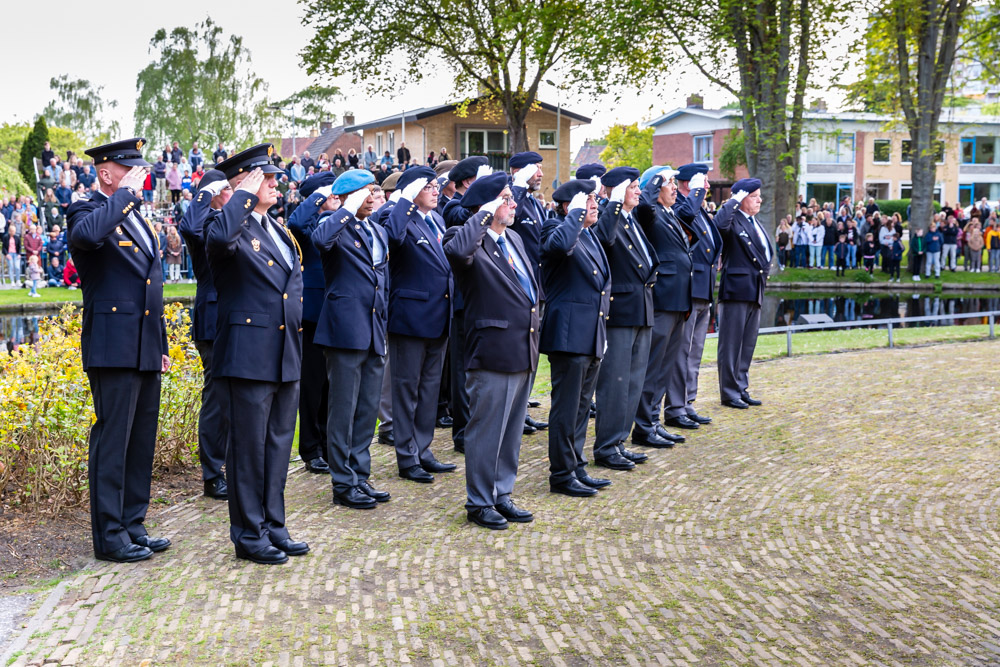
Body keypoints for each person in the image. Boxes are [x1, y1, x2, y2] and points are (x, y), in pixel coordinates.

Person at [66, 137, 170, 563]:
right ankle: (110, 536)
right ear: (106, 173)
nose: (139, 176)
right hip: (113, 344)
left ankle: (133, 524)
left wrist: (161, 343)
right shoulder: (86, 210)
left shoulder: (136, 217)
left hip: (145, 344)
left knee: (141, 439)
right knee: (113, 440)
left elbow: (151, 286)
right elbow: (87, 237)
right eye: (130, 170)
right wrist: (124, 196)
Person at [207, 144, 308, 565]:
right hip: (248, 355)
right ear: (242, 183)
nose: (274, 183)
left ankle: (274, 525)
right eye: (264, 178)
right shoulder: (226, 223)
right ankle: (249, 534)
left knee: (278, 446)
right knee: (248, 450)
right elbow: (218, 241)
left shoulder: (277, 229)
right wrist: (243, 197)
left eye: (273, 177)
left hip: (284, 351)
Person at [443, 171, 539, 530]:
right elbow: (457, 252)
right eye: (505, 198)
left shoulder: (513, 237)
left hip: (522, 346)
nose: (513, 204)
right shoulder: (465, 237)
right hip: (492, 350)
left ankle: (502, 493)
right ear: (486, 205)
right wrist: (484, 213)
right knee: (486, 430)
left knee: (511, 430)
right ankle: (480, 501)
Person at [311, 169, 391, 509]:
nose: (372, 198)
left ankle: (360, 475)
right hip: (345, 331)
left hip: (373, 329)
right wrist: (346, 208)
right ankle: (343, 483)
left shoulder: (378, 231)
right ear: (347, 196)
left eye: (373, 192)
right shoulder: (334, 225)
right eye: (364, 193)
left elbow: (382, 280)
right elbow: (320, 240)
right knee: (342, 410)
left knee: (367, 409)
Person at [540, 179, 613, 498]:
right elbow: (559, 246)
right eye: (588, 200)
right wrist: (576, 214)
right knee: (566, 409)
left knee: (582, 408)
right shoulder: (555, 228)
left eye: (595, 199)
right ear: (569, 206)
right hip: (569, 335)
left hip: (591, 332)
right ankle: (561, 474)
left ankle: (576, 465)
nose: (595, 205)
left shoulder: (588, 234)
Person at [385, 166, 456, 484]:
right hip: (410, 319)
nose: (436, 190)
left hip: (438, 317)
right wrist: (403, 199)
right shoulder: (399, 218)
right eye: (428, 186)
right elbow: (392, 237)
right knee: (406, 390)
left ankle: (423, 450)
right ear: (412, 191)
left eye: (436, 185)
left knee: (428, 390)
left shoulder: (436, 219)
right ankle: (406, 456)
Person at [590, 166, 661, 470]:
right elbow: (603, 239)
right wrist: (614, 202)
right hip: (620, 312)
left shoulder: (631, 219)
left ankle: (619, 441)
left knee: (633, 382)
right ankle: (606, 446)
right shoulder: (609, 217)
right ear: (617, 191)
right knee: (615, 384)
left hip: (641, 308)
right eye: (632, 187)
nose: (638, 191)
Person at [632, 164, 700, 446]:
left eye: (674, 182)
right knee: (653, 366)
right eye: (669, 182)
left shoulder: (669, 213)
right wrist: (653, 181)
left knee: (665, 367)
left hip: (678, 300)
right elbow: (643, 207)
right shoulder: (650, 213)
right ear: (655, 187)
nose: (675, 187)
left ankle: (653, 421)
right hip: (662, 299)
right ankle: (643, 426)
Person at [178, 169, 232, 500]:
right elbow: (189, 227)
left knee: (234, 396)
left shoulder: (229, 219)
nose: (233, 193)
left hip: (236, 316)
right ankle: (213, 474)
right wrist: (204, 193)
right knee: (217, 398)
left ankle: (231, 466)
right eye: (227, 189)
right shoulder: (207, 222)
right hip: (213, 318)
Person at [287, 172, 340, 476]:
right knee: (312, 384)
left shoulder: (339, 219)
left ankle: (329, 445)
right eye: (330, 193)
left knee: (333, 385)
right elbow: (295, 223)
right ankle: (310, 449)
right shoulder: (308, 226)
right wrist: (320, 196)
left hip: (338, 312)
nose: (335, 197)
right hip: (313, 314)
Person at [715, 177, 770, 409]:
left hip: (754, 289)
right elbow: (719, 225)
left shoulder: (754, 222)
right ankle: (729, 392)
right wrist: (733, 201)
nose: (759, 200)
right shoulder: (732, 220)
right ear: (742, 198)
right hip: (736, 290)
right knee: (731, 345)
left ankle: (740, 387)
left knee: (747, 344)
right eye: (754, 196)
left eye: (759, 196)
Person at [674, 163, 720, 426]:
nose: (707, 187)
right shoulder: (682, 205)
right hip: (689, 288)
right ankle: (676, 406)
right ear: (687, 184)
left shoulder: (698, 208)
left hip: (704, 289)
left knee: (695, 351)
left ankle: (688, 402)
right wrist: (695, 193)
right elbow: (685, 219)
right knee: (683, 350)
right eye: (703, 181)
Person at [508, 152, 549, 433]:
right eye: (536, 169)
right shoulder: (515, 198)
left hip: (538, 287)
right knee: (519, 353)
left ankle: (522, 410)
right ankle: (514, 413)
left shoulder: (534, 202)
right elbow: (512, 218)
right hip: (520, 288)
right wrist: (518, 186)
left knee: (531, 354)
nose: (541, 174)